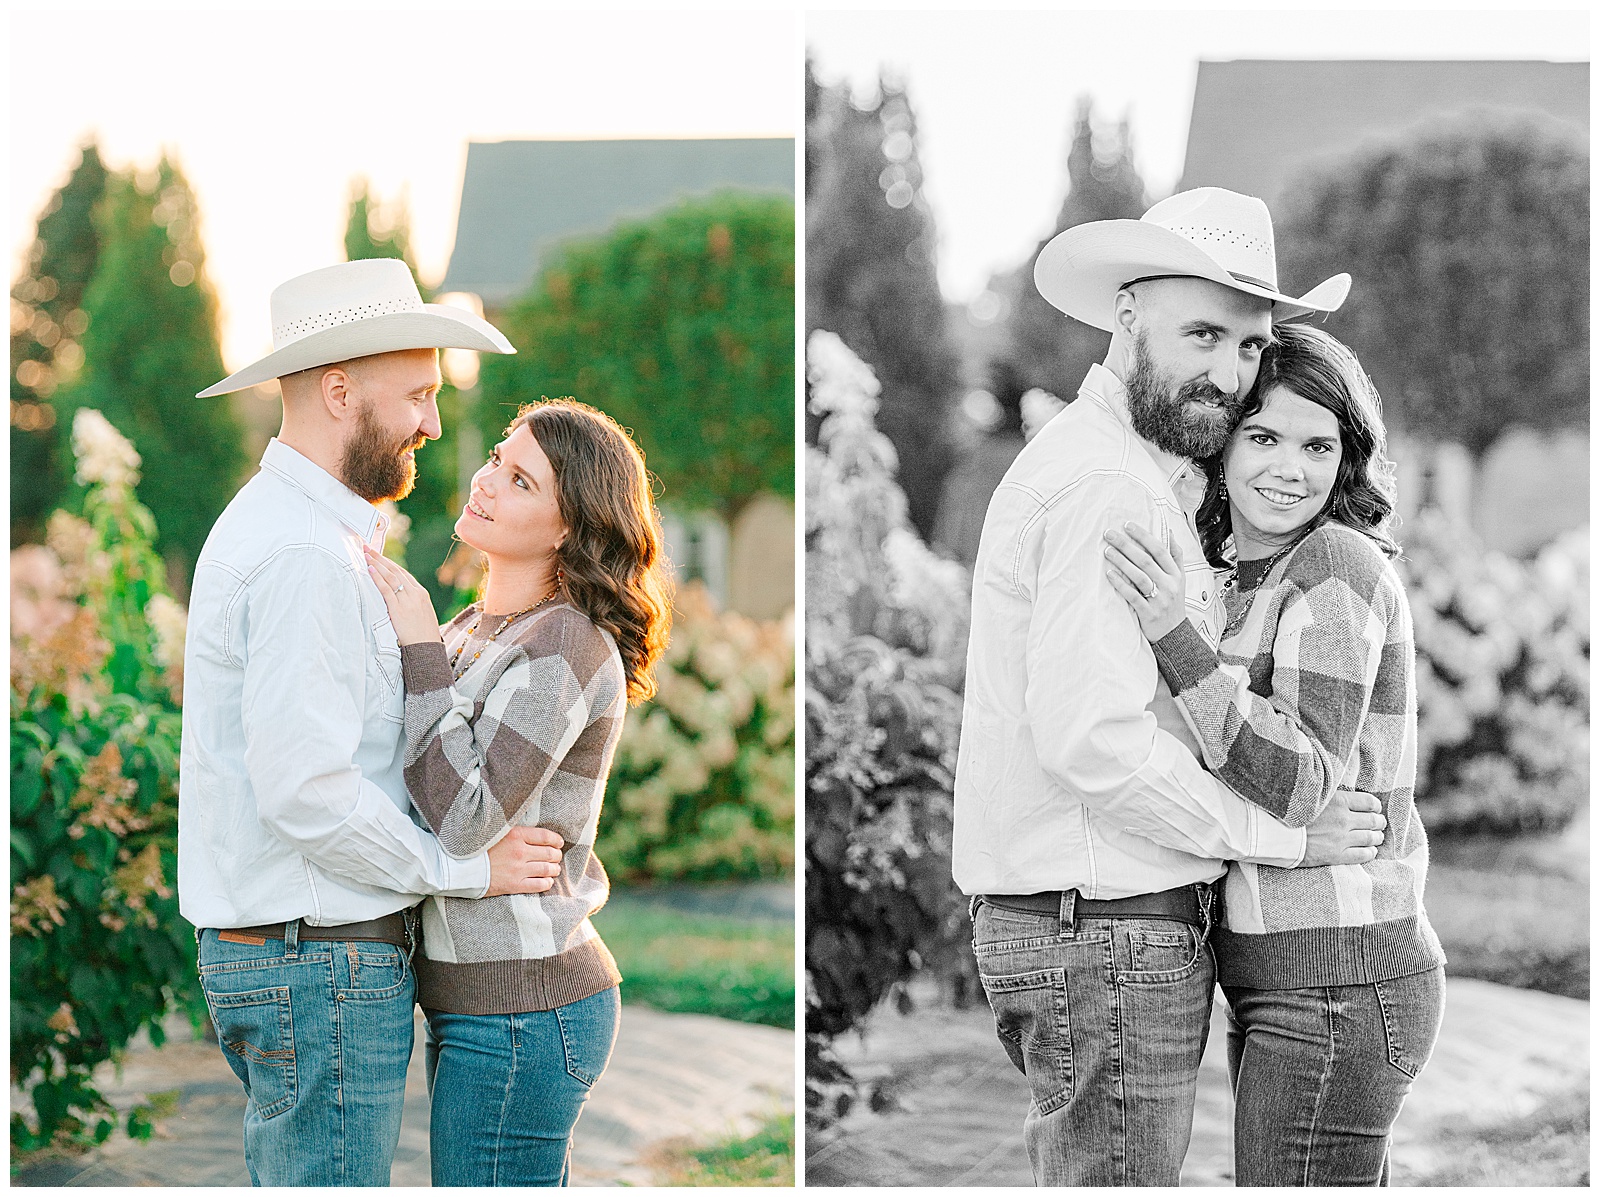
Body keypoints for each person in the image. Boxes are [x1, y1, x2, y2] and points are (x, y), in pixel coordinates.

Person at [951, 187, 1389, 1186]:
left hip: (1091, 923)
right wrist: (1281, 835)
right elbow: (1093, 742)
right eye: (1202, 334)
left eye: (1247, 346)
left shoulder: (1132, 473)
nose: (1230, 376)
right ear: (1127, 313)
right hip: (1100, 926)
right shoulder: (1106, 484)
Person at [178, 258, 566, 1187]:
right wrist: (462, 870)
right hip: (320, 966)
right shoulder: (303, 555)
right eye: (421, 394)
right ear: (340, 390)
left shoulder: (309, 534)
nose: (435, 423)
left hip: (303, 961)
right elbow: (307, 794)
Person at [1102, 323, 1445, 1185]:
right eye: (1263, 436)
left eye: (1317, 445)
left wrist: (1175, 641)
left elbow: (1298, 778)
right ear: (1224, 445)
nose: (1288, 469)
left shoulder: (1334, 566)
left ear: (1347, 459)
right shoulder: (1235, 572)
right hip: (1281, 973)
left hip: (1340, 980)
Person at [361, 397, 672, 1186]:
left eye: (522, 480)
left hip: (526, 1007)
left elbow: (463, 818)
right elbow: (438, 799)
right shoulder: (475, 627)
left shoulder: (564, 640)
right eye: (499, 458)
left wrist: (419, 648)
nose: (487, 481)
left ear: (569, 525)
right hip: (481, 1003)